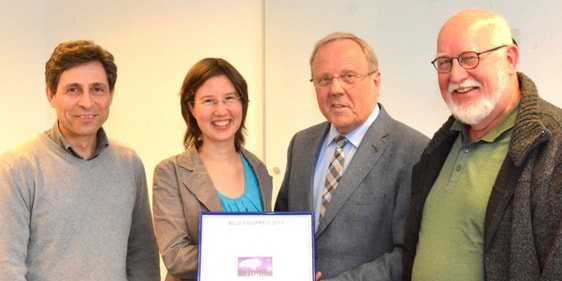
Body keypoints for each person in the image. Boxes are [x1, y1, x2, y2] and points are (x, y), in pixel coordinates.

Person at [403, 8, 562, 281]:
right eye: (444, 62)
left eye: (469, 58)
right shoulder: (441, 144)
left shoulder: (553, 144)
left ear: (509, 59)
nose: (455, 76)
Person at [274, 32, 429, 281]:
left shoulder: (413, 150)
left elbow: (408, 254)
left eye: (349, 76)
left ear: (376, 80)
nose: (335, 89)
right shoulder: (301, 144)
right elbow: (282, 226)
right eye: (324, 79)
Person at [0, 40, 160, 280]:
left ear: (111, 95)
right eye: (73, 90)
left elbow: (142, 259)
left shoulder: (129, 164)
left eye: (97, 89)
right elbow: (7, 267)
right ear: (50, 95)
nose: (87, 102)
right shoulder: (18, 167)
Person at [152, 57, 273, 281]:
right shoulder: (170, 173)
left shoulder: (259, 169)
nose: (221, 111)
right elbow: (176, 257)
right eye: (209, 101)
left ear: (243, 103)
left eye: (229, 98)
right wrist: (249, 260)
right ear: (192, 107)